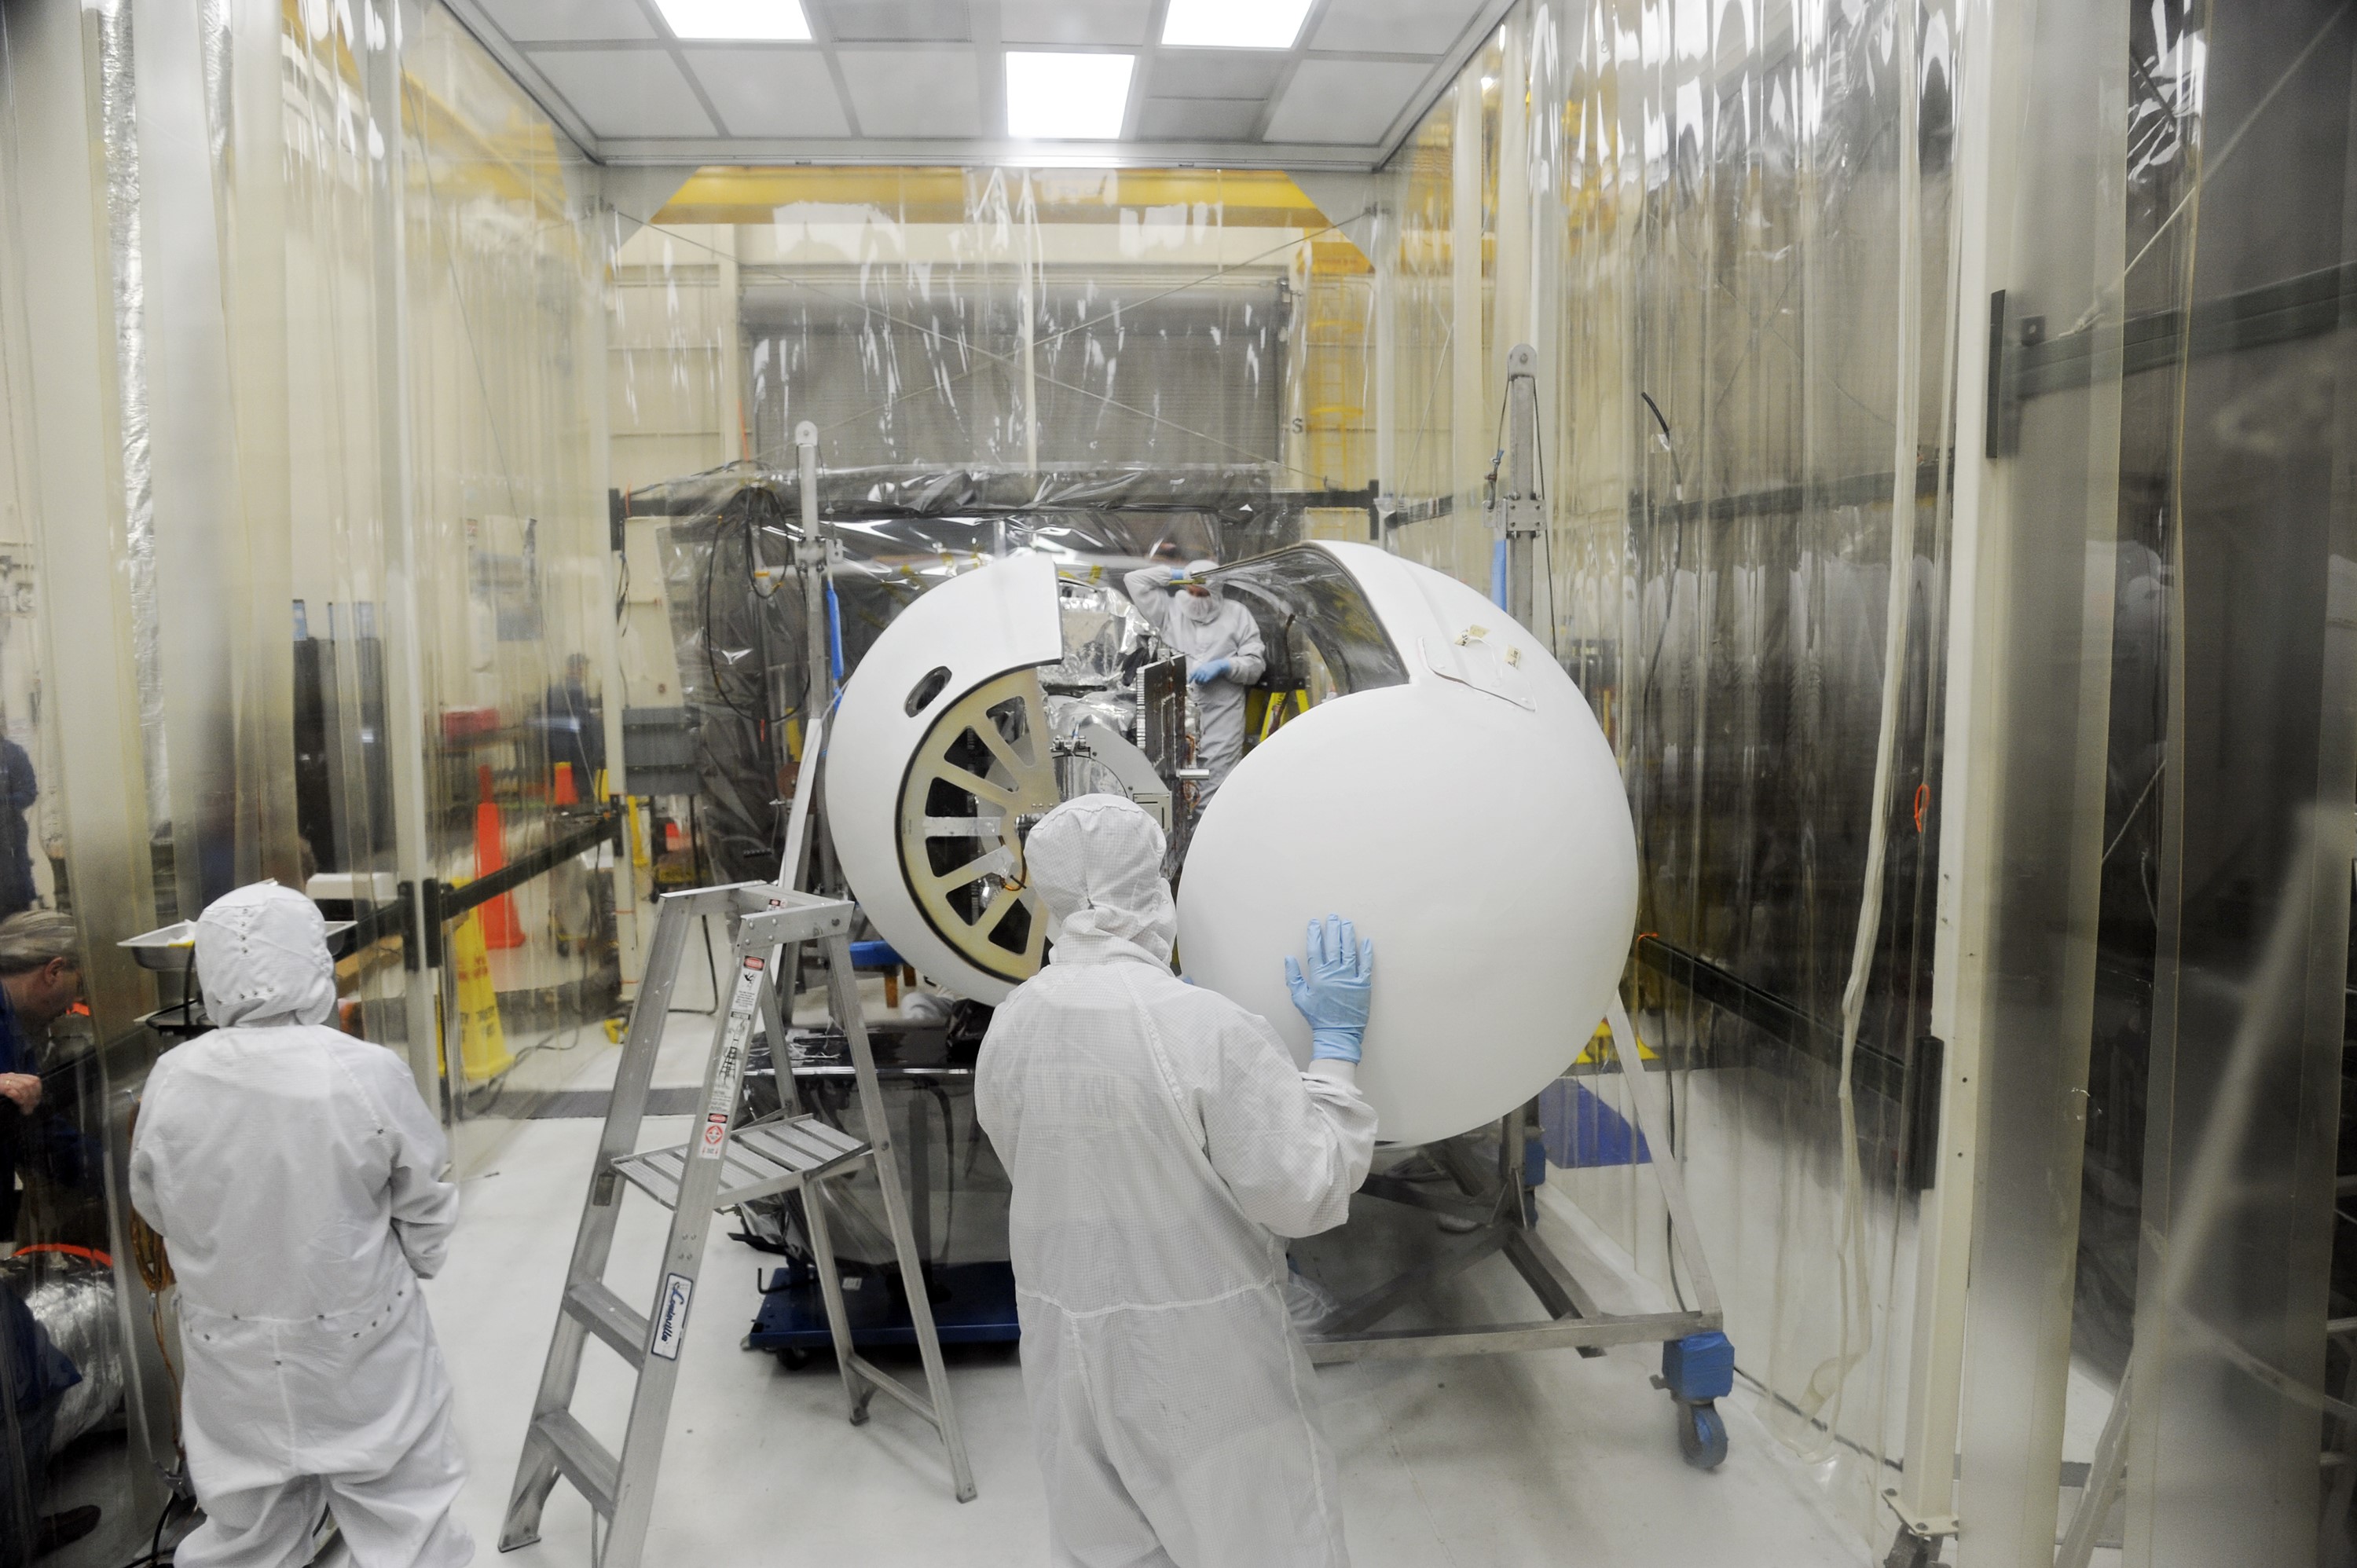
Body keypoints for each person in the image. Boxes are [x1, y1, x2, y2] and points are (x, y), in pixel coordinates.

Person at [974, 795, 1376, 1567]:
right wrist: (1336, 1050)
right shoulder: (1204, 1028)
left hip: (1067, 1354)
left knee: (1106, 1550)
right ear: (1152, 887)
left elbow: (1033, 1157)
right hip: (1205, 1363)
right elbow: (1306, 1190)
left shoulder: (1013, 1022)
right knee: (1265, 1543)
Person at [130, 882, 471, 1567]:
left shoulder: (174, 1075)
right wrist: (419, 1259)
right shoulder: (363, 1070)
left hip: (230, 1346)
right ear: (314, 960)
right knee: (406, 1519)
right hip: (360, 1338)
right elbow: (425, 1196)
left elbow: (154, 1202)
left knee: (245, 1530)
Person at [1122, 559, 1266, 803]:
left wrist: (1226, 666)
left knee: (1216, 785)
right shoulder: (1169, 611)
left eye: (1202, 594)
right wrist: (1177, 574)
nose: (1195, 599)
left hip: (1222, 717)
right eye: (1191, 591)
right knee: (1176, 784)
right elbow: (1133, 580)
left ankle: (1210, 827)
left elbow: (1255, 665)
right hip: (1177, 715)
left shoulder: (1237, 615)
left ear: (1216, 592)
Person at [0, 742, 35, 922]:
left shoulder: (14, 753)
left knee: (17, 908)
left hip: (12, 834)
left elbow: (29, 793)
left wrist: (5, 801)